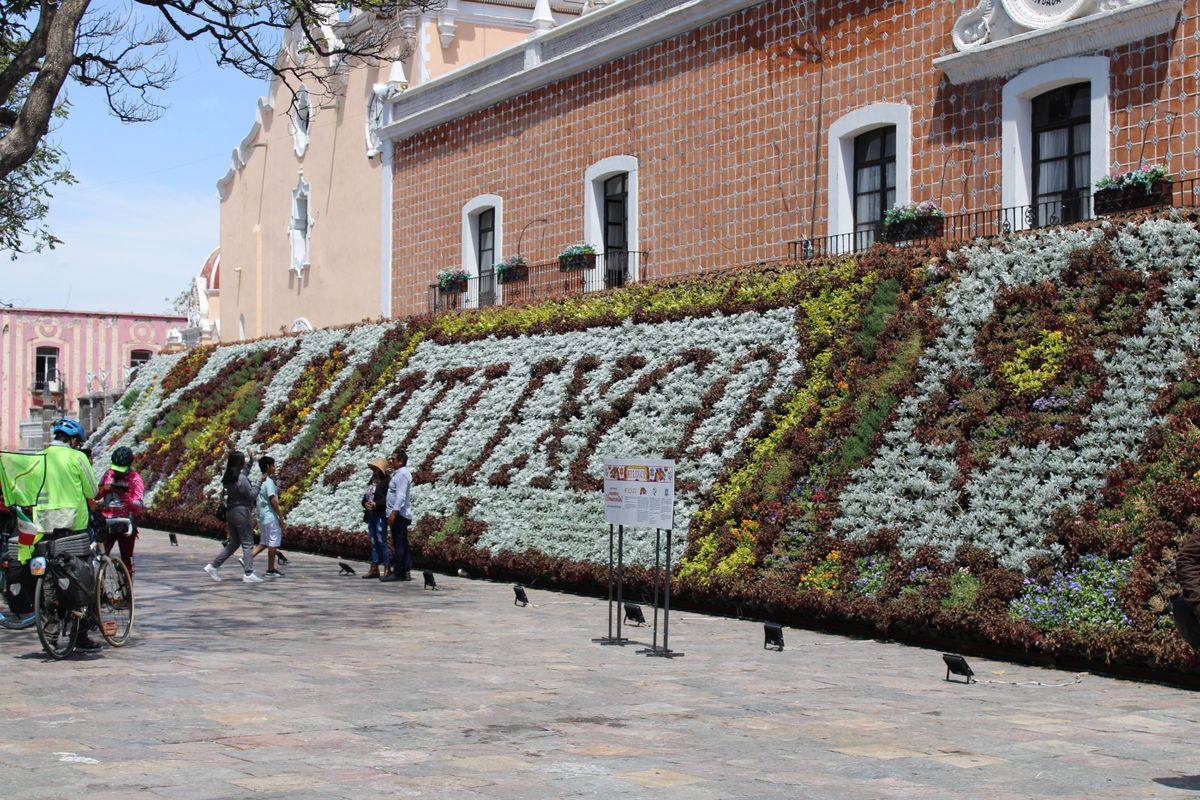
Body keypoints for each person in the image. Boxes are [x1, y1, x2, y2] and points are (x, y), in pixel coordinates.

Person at [29, 418, 101, 650]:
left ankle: (49, 635)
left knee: (48, 579)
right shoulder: (77, 457)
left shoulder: (38, 458)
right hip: (74, 527)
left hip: (44, 527)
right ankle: (80, 634)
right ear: (72, 440)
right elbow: (92, 490)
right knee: (82, 576)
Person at [204, 451, 263, 584]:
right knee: (247, 543)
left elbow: (243, 476)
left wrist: (251, 462)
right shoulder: (241, 479)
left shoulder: (229, 477)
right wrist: (260, 482)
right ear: (239, 463)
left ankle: (213, 566)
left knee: (234, 543)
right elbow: (252, 495)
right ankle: (248, 573)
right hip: (242, 512)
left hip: (231, 512)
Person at [96, 446, 143, 578]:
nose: (118, 472)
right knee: (101, 558)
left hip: (125, 522)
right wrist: (104, 489)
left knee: (127, 559)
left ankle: (127, 589)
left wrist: (123, 495)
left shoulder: (135, 479)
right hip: (107, 521)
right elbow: (96, 495)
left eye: (121, 470)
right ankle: (101, 591)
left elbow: (138, 506)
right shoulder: (108, 474)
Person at [381, 449, 413, 582]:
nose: (391, 461)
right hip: (397, 513)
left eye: (393, 459)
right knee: (402, 543)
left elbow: (400, 495)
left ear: (401, 461)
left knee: (399, 543)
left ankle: (398, 572)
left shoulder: (402, 475)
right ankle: (405, 570)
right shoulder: (398, 474)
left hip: (399, 514)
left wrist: (394, 512)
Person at [249, 456, 285, 577]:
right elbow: (273, 500)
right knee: (273, 542)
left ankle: (246, 558)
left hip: (262, 516)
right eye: (273, 465)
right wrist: (280, 516)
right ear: (268, 467)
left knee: (264, 541)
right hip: (270, 516)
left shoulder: (260, 481)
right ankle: (270, 569)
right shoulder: (269, 482)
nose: (274, 468)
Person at [361, 457, 391, 579]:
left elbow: (388, 499)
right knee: (373, 541)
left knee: (381, 540)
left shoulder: (387, 481)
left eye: (376, 468)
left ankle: (387, 567)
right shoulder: (372, 481)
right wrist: (365, 504)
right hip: (371, 514)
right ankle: (374, 567)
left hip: (379, 513)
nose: (374, 470)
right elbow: (365, 497)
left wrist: (376, 504)